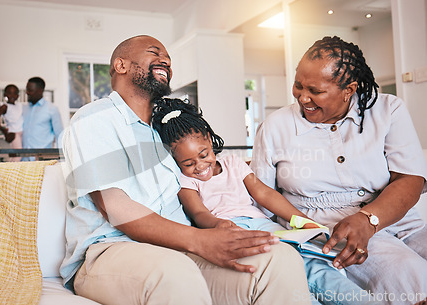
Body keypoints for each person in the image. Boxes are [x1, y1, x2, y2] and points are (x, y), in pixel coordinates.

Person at [60, 35, 313, 305]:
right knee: (174, 272)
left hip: (180, 250)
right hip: (111, 250)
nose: (165, 60)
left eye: (168, 57)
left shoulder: (167, 132)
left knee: (278, 259)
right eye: (154, 52)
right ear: (120, 65)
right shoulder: (95, 119)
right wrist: (200, 240)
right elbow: (115, 208)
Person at [250, 36, 427, 305]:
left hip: (397, 217)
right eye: (298, 85)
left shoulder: (388, 110)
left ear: (349, 89)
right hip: (329, 227)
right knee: (409, 275)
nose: (302, 97)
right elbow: (260, 196)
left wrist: (369, 219)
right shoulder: (275, 127)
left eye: (315, 90)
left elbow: (410, 179)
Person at [152, 97, 378, 305]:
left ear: (210, 141)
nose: (200, 166)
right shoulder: (184, 180)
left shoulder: (232, 162)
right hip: (232, 231)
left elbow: (264, 194)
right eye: (189, 163)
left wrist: (302, 221)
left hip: (266, 227)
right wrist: (216, 225)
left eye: (203, 155)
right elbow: (198, 212)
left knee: (317, 268)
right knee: (290, 278)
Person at [22, 77, 63, 158]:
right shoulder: (24, 109)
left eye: (30, 90)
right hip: (24, 159)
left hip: (43, 159)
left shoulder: (51, 109)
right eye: (27, 89)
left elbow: (60, 135)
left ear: (40, 91)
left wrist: (61, 158)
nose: (27, 93)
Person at [0, 84, 23, 162]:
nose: (12, 95)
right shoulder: (5, 106)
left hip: (22, 132)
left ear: (18, 95)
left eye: (15, 93)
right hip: (13, 133)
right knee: (18, 156)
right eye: (10, 93)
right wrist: (3, 130)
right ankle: (11, 172)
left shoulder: (19, 105)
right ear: (5, 94)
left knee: (22, 154)